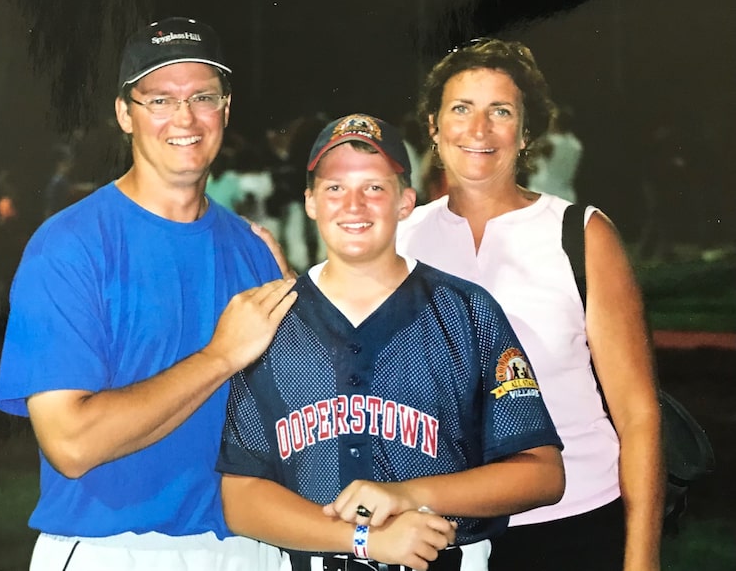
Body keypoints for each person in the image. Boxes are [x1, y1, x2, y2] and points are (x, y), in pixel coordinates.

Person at [0, 16, 296, 571]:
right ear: (124, 114)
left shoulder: (255, 252)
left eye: (203, 96)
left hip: (246, 547)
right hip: (115, 549)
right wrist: (220, 356)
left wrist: (308, 315)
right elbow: (72, 444)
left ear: (225, 110)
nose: (184, 118)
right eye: (159, 99)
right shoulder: (69, 246)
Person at [218, 113, 565, 571]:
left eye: (374, 188)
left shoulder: (465, 311)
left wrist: (409, 495)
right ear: (310, 202)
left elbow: (542, 474)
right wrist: (362, 539)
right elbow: (240, 498)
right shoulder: (271, 320)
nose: (354, 205)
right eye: (335, 188)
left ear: (405, 201)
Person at [396, 38, 664, 571]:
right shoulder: (401, 237)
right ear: (433, 126)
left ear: (526, 132)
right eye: (461, 109)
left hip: (574, 524)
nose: (479, 130)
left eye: (501, 111)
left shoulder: (579, 235)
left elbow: (637, 415)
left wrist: (642, 559)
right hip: (443, 532)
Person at [525, 104, 583, 203]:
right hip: (565, 196)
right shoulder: (576, 145)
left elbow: (531, 150)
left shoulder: (551, 143)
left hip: (544, 195)